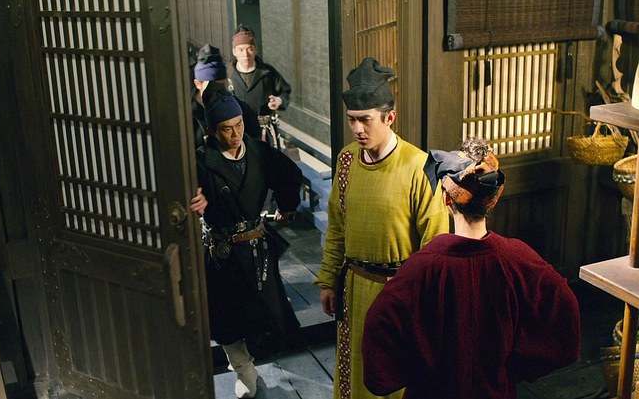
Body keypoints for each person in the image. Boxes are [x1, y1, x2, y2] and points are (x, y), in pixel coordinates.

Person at [361, 138, 581, 399]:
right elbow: (564, 312)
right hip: (495, 391)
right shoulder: (519, 258)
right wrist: (514, 367)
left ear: (446, 199)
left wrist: (409, 371)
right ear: (492, 201)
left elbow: (379, 325)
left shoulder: (420, 267)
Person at [313, 57, 449, 399]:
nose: (358, 129)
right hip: (353, 288)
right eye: (352, 120)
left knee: (395, 379)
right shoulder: (347, 161)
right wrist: (329, 280)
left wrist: (422, 304)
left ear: (390, 117)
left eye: (366, 120)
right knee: (355, 374)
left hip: (399, 293)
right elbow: (338, 226)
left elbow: (435, 245)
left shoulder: (419, 166)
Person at [188, 93, 302, 399]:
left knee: (268, 315)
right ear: (212, 131)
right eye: (227, 128)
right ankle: (243, 370)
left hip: (256, 248)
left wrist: (287, 206)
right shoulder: (200, 160)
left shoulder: (259, 151)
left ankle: (250, 363)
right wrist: (195, 201)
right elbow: (186, 192)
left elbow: (289, 175)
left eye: (239, 125)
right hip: (222, 252)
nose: (235, 134)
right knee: (227, 320)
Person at [227, 24, 292, 148]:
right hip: (236, 134)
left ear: (255, 49)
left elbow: (285, 92)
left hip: (263, 133)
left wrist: (279, 101)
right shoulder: (227, 75)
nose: (245, 54)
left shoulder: (268, 72)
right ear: (234, 51)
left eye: (249, 49)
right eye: (240, 50)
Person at [191, 43, 261, 148]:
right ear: (198, 84)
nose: (219, 91)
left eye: (222, 85)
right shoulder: (187, 116)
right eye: (213, 86)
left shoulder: (243, 111)